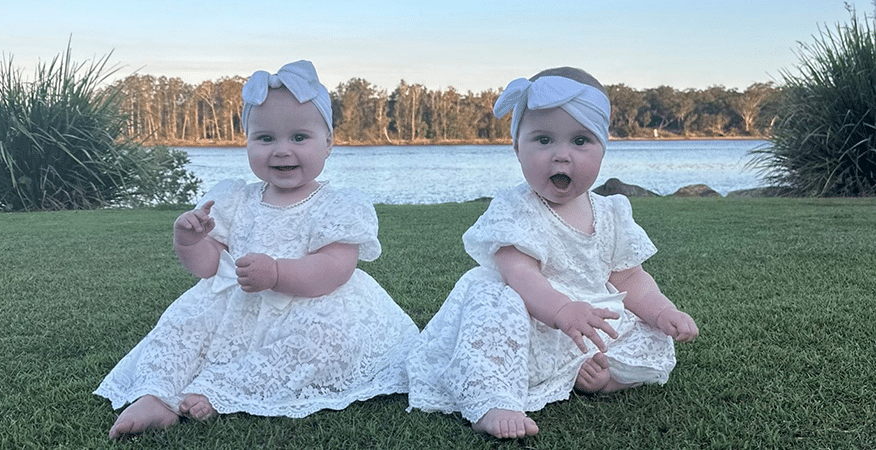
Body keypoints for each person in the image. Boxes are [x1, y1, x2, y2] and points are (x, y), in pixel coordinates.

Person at [95, 60, 419, 439]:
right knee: (181, 327)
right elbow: (209, 267)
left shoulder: (339, 205)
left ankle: (221, 389)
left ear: (328, 142)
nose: (281, 151)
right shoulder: (234, 198)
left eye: (299, 137)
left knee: (325, 342)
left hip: (311, 303)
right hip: (235, 303)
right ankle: (156, 393)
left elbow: (335, 268)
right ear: (246, 140)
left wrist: (278, 273)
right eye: (265, 139)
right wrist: (191, 240)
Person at [405, 67, 699, 439]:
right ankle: (493, 397)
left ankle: (602, 375)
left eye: (580, 141)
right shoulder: (515, 208)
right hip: (531, 321)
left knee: (653, 336)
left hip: (587, 321)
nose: (561, 156)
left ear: (603, 149)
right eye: (543, 140)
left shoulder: (612, 212)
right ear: (517, 149)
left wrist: (662, 311)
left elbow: (630, 278)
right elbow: (520, 276)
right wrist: (561, 310)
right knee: (494, 301)